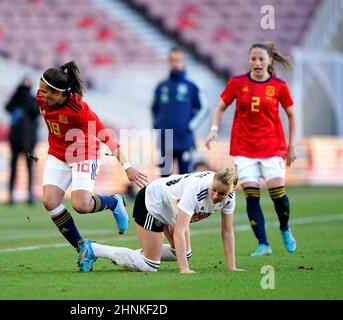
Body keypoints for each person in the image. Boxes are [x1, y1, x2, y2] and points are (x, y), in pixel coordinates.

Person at [35, 61, 149, 256]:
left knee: (81, 205)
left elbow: (106, 136)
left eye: (45, 91)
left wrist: (127, 166)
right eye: (40, 88)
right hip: (57, 154)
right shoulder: (41, 98)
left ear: (59, 94)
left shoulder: (79, 111)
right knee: (50, 202)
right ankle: (83, 249)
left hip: (83, 153)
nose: (40, 93)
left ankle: (113, 202)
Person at [204, 42, 298, 256]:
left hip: (272, 146)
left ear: (269, 61)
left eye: (261, 59)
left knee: (278, 194)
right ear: (249, 60)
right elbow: (220, 108)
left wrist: (291, 145)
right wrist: (214, 129)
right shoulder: (237, 83)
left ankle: (284, 228)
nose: (257, 62)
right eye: (253, 58)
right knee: (252, 195)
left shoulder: (279, 86)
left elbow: (292, 115)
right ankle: (263, 243)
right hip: (243, 148)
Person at [77, 168, 245, 273]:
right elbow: (179, 230)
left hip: (168, 208)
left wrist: (232, 267)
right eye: (213, 190)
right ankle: (93, 249)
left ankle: (142, 253)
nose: (215, 196)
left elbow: (227, 232)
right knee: (149, 266)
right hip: (152, 202)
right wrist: (184, 269)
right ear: (212, 181)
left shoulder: (229, 198)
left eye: (221, 194)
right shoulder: (196, 189)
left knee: (185, 253)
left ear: (231, 191)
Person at [151, 47, 207, 177]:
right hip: (167, 138)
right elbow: (154, 108)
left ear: (184, 62)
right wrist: (158, 125)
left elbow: (204, 109)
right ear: (168, 62)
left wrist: (190, 126)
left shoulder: (192, 86)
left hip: (184, 138)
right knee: (164, 179)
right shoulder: (161, 86)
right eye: (172, 60)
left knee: (186, 178)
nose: (175, 63)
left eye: (178, 60)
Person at [5, 77, 41, 205]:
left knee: (29, 167)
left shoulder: (31, 99)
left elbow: (37, 112)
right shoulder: (16, 98)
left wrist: (24, 95)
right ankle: (10, 196)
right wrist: (18, 93)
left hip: (29, 140)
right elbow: (7, 107)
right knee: (13, 168)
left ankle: (30, 195)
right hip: (16, 139)